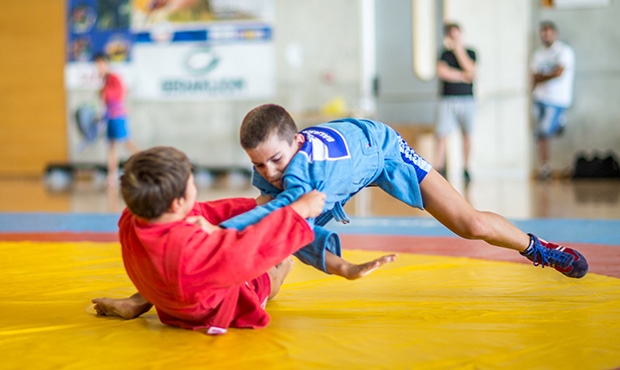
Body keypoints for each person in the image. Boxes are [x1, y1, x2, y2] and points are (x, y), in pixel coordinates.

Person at [220, 103, 589, 280]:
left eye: (276, 161)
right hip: (344, 162)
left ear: (299, 144)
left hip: (383, 149)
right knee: (280, 245)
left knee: (470, 223)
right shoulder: (280, 161)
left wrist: (216, 230)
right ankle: (251, 303)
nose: (270, 172)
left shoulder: (306, 171)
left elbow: (272, 213)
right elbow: (267, 206)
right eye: (258, 164)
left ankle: (538, 248)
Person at [92, 146, 327, 335]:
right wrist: (297, 212)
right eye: (192, 184)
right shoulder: (191, 250)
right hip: (205, 310)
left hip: (163, 293)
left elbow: (201, 211)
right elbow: (248, 249)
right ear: (177, 202)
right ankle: (278, 273)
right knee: (276, 267)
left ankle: (138, 300)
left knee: (174, 256)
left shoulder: (134, 216)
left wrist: (252, 205)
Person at [530, 21, 575, 180]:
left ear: (555, 34)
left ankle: (560, 121)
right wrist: (546, 76)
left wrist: (543, 76)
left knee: (545, 131)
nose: (546, 36)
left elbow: (559, 73)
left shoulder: (564, 51)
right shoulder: (538, 54)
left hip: (556, 98)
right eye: (543, 33)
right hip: (539, 97)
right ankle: (545, 166)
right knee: (540, 134)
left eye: (549, 32)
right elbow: (533, 76)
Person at [434, 22, 477, 185]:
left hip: (467, 99)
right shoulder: (444, 54)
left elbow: (471, 70)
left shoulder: (470, 52)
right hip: (447, 99)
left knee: (467, 133)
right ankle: (439, 166)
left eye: (456, 34)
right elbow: (442, 72)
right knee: (442, 133)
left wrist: (459, 50)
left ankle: (466, 167)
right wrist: (462, 76)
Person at [94, 52, 140, 186]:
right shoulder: (105, 80)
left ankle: (147, 163)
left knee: (127, 141)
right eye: (97, 65)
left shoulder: (113, 77)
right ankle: (112, 174)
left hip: (117, 115)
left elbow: (120, 94)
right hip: (109, 116)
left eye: (100, 64)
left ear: (106, 64)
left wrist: (105, 93)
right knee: (112, 145)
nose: (98, 67)